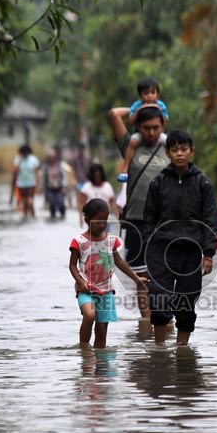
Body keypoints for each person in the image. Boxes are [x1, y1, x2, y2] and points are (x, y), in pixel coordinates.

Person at [142, 129, 217, 346]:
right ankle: (159, 350)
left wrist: (208, 253)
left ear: (191, 151)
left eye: (183, 149)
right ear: (167, 153)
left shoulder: (202, 183)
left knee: (186, 304)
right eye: (174, 149)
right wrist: (148, 249)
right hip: (160, 250)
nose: (179, 154)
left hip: (191, 251)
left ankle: (182, 350)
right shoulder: (158, 183)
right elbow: (149, 219)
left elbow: (209, 219)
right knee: (158, 300)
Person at [107, 104, 170, 319]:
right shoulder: (130, 146)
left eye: (155, 127)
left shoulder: (170, 147)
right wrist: (145, 104)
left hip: (164, 221)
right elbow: (115, 114)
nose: (151, 132)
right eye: (145, 128)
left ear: (163, 125)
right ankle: (146, 322)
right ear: (138, 128)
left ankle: (163, 320)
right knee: (140, 275)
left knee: (164, 273)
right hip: (135, 219)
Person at [69, 198, 147, 349]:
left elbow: (120, 262)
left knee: (102, 330)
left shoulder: (111, 240)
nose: (102, 225)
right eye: (98, 221)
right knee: (90, 315)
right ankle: (84, 350)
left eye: (105, 221)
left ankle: (101, 363)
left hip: (106, 292)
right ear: (87, 219)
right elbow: (72, 265)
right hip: (86, 290)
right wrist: (80, 282)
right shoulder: (79, 241)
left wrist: (136, 279)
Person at [116, 78, 169, 182]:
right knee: (132, 142)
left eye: (152, 93)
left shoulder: (161, 105)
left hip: (159, 135)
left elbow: (165, 122)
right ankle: (125, 168)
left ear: (158, 95)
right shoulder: (137, 105)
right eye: (146, 93)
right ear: (140, 95)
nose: (149, 96)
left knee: (170, 143)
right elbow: (130, 123)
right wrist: (139, 110)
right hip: (140, 134)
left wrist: (157, 110)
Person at [78, 163, 116, 228]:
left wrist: (117, 216)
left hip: (105, 220)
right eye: (95, 176)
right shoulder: (86, 187)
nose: (97, 178)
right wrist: (81, 219)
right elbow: (81, 204)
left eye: (99, 176)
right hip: (92, 220)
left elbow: (112, 203)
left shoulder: (107, 186)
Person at [10, 144, 40, 218]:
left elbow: (37, 174)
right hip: (21, 184)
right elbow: (14, 172)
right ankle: (25, 217)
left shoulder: (33, 159)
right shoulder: (18, 159)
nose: (24, 154)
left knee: (30, 201)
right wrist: (19, 162)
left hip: (31, 184)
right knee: (24, 203)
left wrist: (37, 186)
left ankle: (33, 215)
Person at [41, 148, 72, 219]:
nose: (51, 159)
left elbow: (64, 177)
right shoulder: (45, 167)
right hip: (50, 189)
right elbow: (43, 179)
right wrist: (43, 191)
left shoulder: (60, 166)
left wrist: (64, 186)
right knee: (52, 204)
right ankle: (53, 216)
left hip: (59, 188)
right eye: (50, 157)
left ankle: (63, 216)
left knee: (61, 203)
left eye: (52, 157)